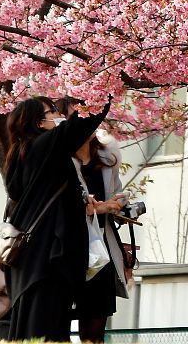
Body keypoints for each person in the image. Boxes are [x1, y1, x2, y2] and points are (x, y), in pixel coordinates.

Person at [5, 95, 110, 342]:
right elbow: (80, 125)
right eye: (51, 111)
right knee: (46, 330)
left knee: (31, 329)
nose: (58, 115)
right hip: (47, 258)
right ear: (39, 123)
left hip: (30, 260)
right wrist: (104, 88)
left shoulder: (22, 155)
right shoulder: (43, 147)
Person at [72, 134, 131, 343]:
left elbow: (117, 192)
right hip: (70, 249)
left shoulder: (107, 157)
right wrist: (97, 208)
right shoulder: (61, 159)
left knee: (96, 328)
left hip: (101, 251)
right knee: (58, 326)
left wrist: (119, 202)